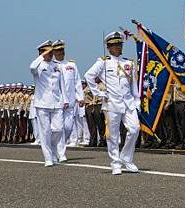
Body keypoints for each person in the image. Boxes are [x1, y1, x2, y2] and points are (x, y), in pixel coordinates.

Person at [85, 31, 141, 175]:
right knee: (112, 135)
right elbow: (89, 76)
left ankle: (126, 158)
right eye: (114, 45)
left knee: (135, 129)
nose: (118, 47)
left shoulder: (128, 63)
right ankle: (115, 162)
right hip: (112, 104)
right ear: (109, 47)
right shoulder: (103, 61)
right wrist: (99, 93)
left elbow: (133, 84)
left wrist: (137, 100)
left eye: (119, 44)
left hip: (128, 103)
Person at [30, 40, 69, 167]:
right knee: (45, 131)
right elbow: (31, 67)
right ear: (42, 53)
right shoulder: (38, 66)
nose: (51, 54)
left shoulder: (56, 65)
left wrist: (65, 99)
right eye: (49, 52)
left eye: (51, 52)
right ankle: (48, 157)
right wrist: (41, 56)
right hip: (42, 103)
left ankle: (53, 150)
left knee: (58, 129)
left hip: (57, 102)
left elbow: (61, 83)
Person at [52, 40, 84, 151]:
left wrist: (80, 97)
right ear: (54, 52)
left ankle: (59, 147)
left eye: (62, 50)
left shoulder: (71, 65)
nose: (61, 52)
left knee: (68, 127)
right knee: (58, 128)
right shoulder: (51, 66)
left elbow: (77, 82)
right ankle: (59, 151)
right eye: (58, 50)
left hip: (70, 102)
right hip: (56, 103)